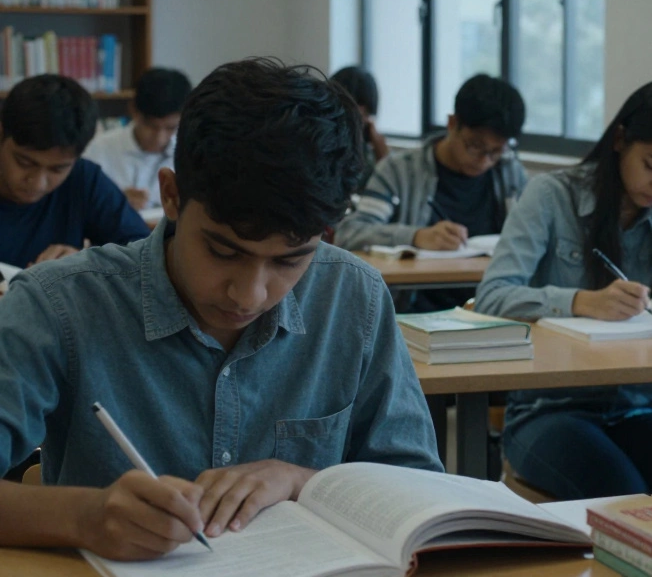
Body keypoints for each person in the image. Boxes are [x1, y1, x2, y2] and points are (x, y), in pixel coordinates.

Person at [0, 58, 441, 561]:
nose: (248, 295)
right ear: (171, 195)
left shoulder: (352, 296)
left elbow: (421, 494)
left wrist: (302, 481)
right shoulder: (59, 305)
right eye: (223, 251)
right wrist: (84, 518)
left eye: (290, 260)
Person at [475, 78, 652, 499]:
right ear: (620, 140)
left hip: (640, 406)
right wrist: (579, 301)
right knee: (627, 498)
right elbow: (490, 296)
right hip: (549, 411)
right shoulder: (551, 195)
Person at [335, 73, 528, 310]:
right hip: (414, 310)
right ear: (452, 123)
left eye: (496, 151)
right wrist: (416, 237)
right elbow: (351, 232)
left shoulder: (510, 174)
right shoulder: (400, 171)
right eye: (475, 146)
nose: (484, 160)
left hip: (490, 309)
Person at [0, 74, 150, 267]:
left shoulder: (83, 179)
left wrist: (86, 263)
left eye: (57, 169)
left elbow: (143, 253)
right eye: (25, 162)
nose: (38, 183)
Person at [84, 67, 191, 211]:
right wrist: (112, 202)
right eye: (151, 126)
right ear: (133, 110)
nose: (159, 138)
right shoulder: (97, 151)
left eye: (170, 128)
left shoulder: (190, 153)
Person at [330, 65, 390, 188]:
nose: (365, 118)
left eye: (368, 112)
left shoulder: (366, 149)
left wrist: (383, 158)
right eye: (360, 107)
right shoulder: (324, 143)